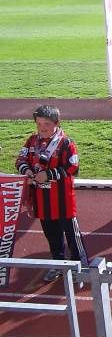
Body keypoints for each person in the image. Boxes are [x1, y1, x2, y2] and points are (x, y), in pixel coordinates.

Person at [15, 105, 89, 282]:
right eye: (39, 123)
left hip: (63, 201)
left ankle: (82, 266)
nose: (42, 127)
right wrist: (26, 171)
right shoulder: (32, 141)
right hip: (42, 200)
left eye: (47, 123)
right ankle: (58, 264)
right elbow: (20, 159)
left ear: (57, 123)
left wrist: (48, 174)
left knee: (73, 235)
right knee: (52, 236)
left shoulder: (66, 143)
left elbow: (73, 167)